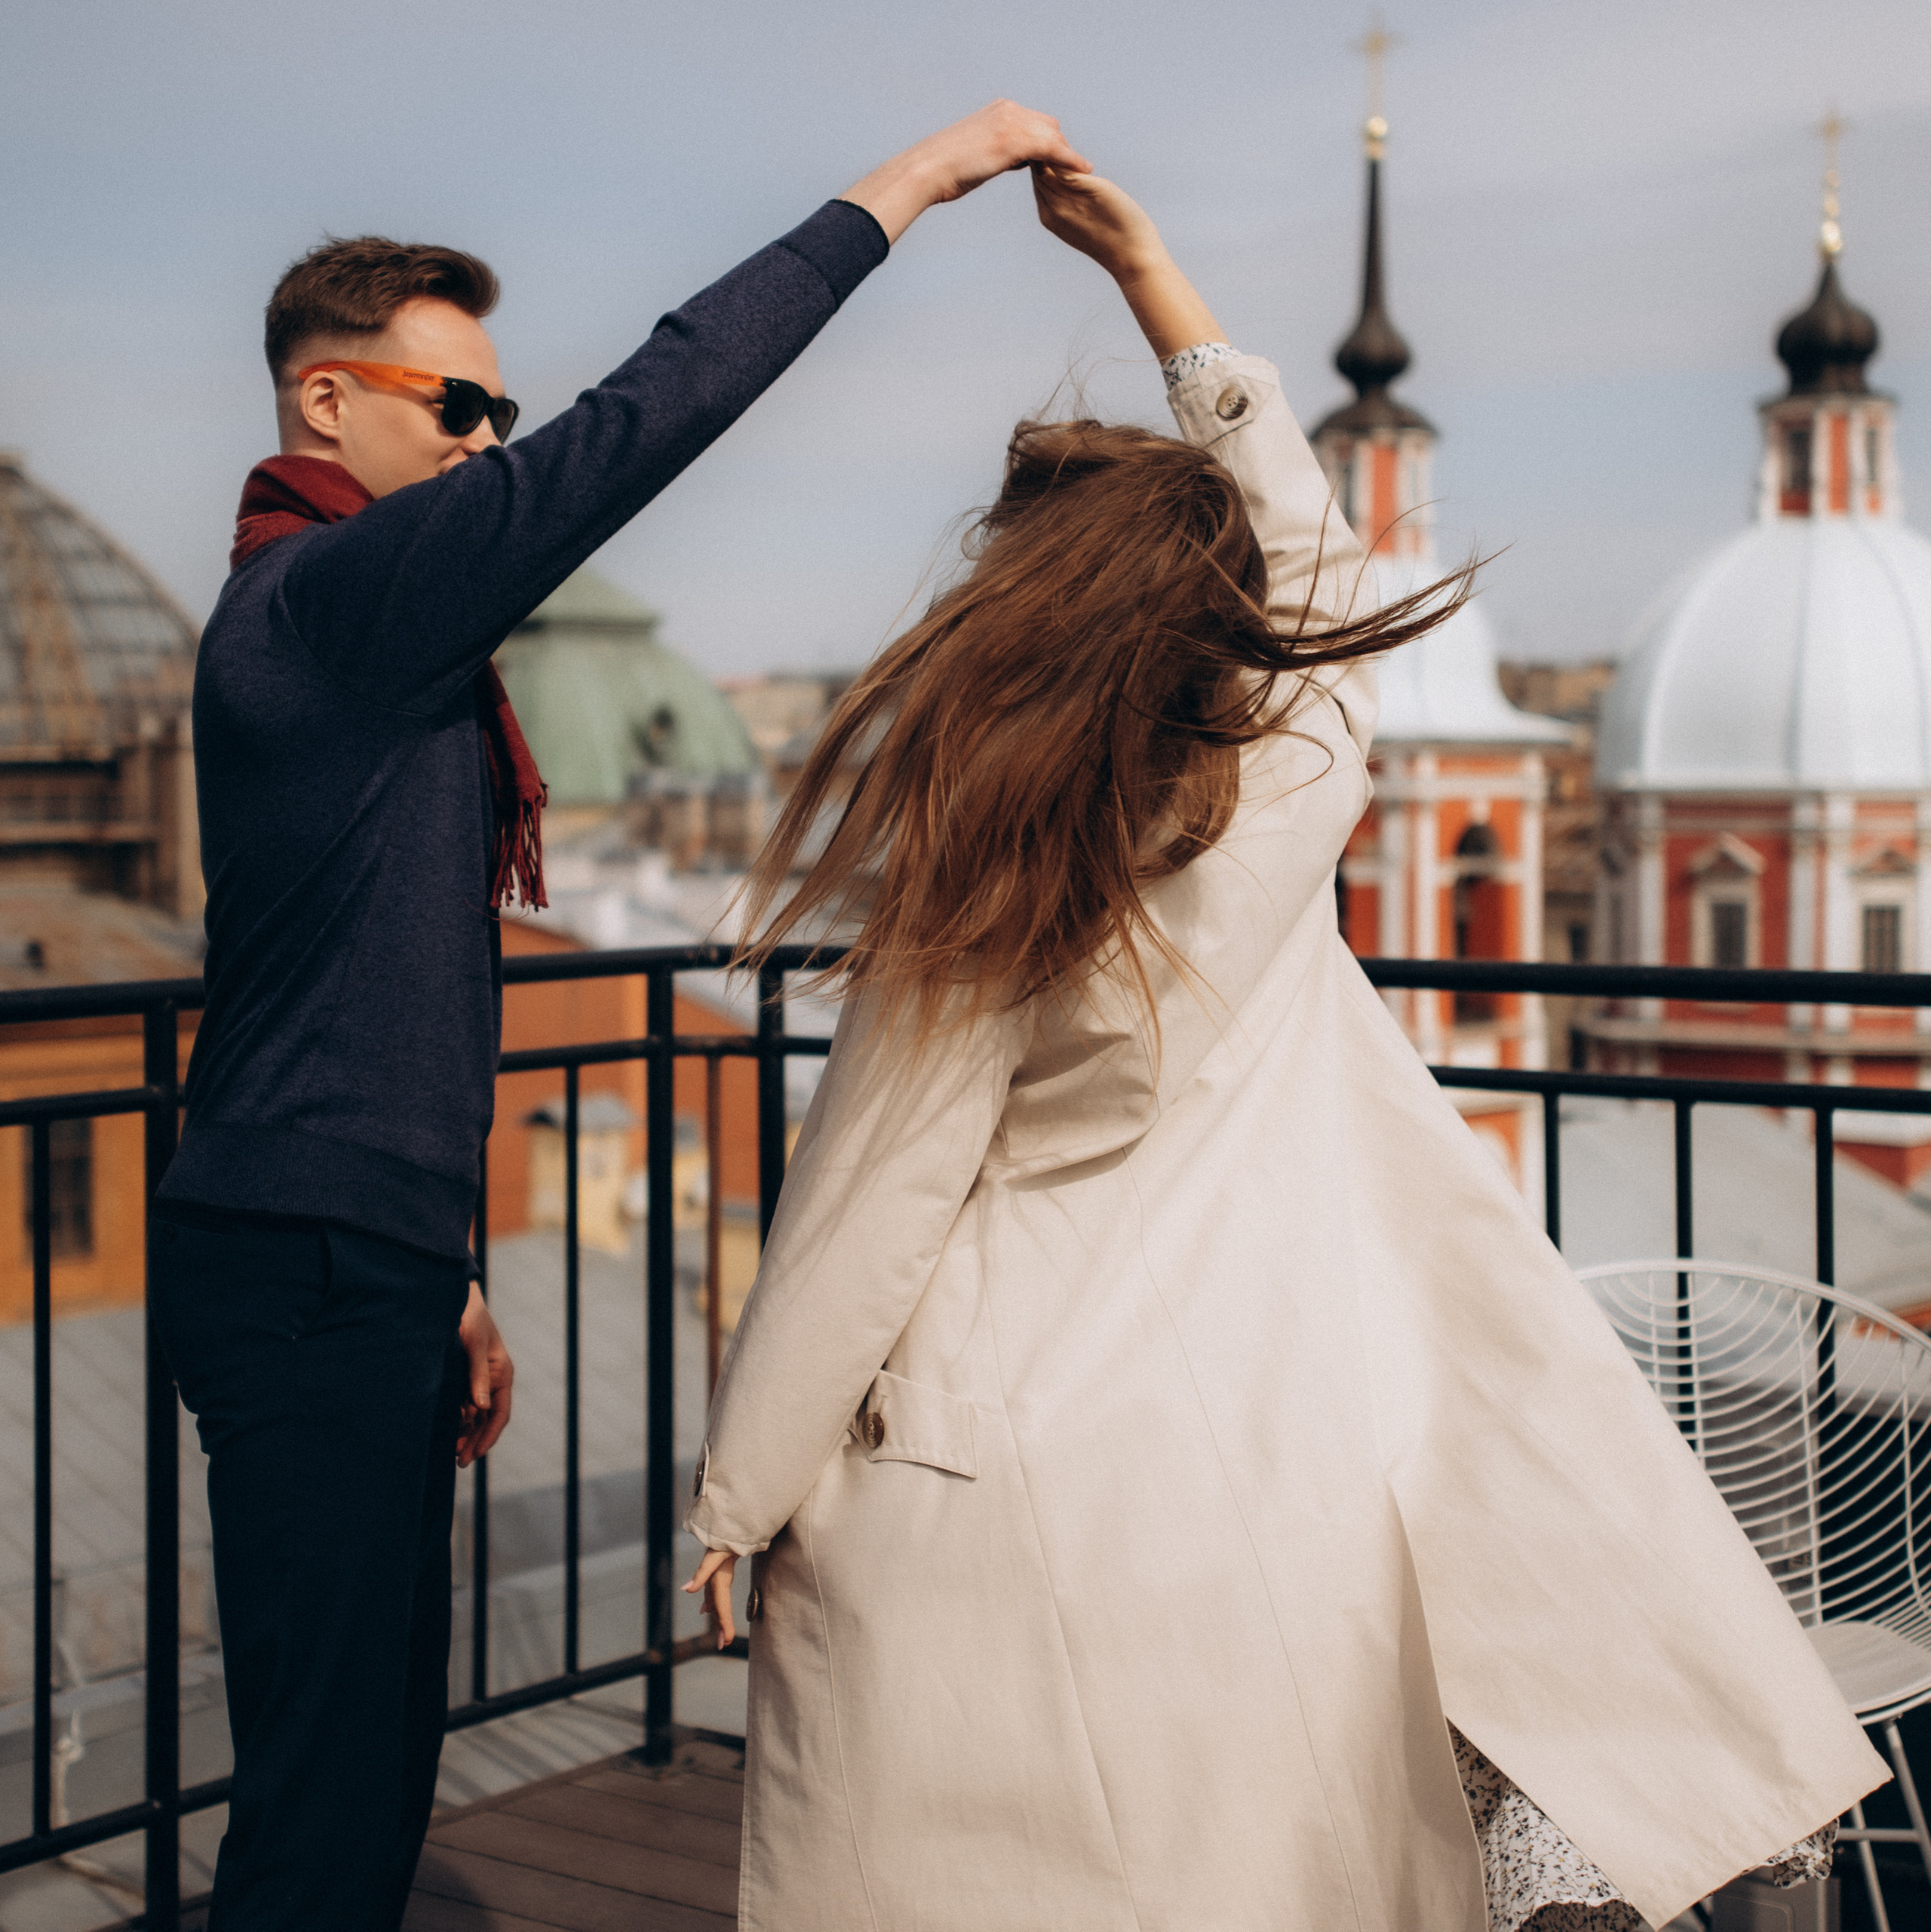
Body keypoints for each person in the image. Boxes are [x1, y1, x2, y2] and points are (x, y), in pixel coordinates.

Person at [684, 166, 1881, 1932]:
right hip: (1248, 1437)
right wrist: (1167, 292)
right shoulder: (1286, 790)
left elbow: (870, 1201)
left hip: (1007, 1449)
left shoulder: (997, 869)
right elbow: (1321, 578)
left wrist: (737, 1489)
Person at [146, 99, 1087, 1932]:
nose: (495, 440)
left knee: (355, 1763)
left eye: (497, 409)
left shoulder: (341, 624)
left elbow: (338, 972)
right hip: (307, 1265)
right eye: (459, 409)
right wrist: (892, 198)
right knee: (325, 1811)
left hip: (356, 1249)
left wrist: (452, 1266)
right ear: (325, 401)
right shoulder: (331, 600)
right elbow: (643, 418)